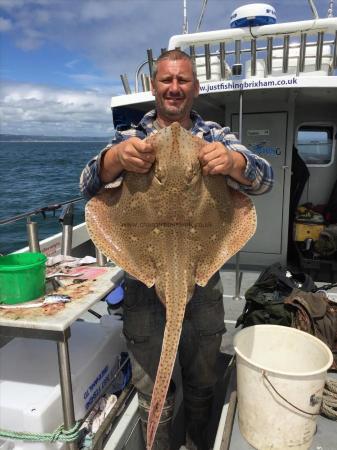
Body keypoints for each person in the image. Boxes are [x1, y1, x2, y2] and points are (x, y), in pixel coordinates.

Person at [80, 49, 273, 450]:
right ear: (155, 88)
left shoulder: (215, 136)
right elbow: (87, 186)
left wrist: (235, 161)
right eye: (166, 80)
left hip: (202, 274)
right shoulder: (130, 138)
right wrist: (114, 158)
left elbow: (265, 178)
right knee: (155, 388)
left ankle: (199, 441)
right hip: (144, 280)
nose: (174, 87)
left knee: (203, 378)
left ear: (195, 88)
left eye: (182, 80)